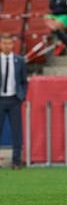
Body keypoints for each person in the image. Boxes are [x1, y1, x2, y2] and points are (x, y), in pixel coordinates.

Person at [0, 34, 28, 170]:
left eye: (9, 43)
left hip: (14, 99)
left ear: (13, 45)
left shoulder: (19, 60)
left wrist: (21, 96)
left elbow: (24, 81)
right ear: (1, 45)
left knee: (17, 131)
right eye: (4, 43)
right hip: (0, 99)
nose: (6, 46)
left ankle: (16, 161)